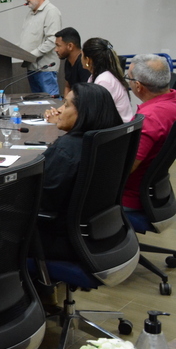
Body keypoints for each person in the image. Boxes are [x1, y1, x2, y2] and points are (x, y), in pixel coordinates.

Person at [38, 83, 123, 260]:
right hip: (101, 232)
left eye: (66, 105)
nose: (59, 110)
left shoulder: (66, 150)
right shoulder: (109, 141)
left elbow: (41, 199)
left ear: (85, 112)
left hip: (57, 239)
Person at [122, 54, 176, 210]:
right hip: (155, 192)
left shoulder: (149, 119)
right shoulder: (171, 104)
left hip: (129, 198)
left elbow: (125, 168)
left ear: (138, 86)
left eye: (129, 78)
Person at [19, 0, 62, 97]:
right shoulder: (30, 14)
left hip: (45, 68)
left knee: (51, 101)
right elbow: (27, 39)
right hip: (31, 66)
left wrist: (31, 55)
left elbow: (52, 40)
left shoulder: (51, 11)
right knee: (38, 102)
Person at [81, 38, 134, 122]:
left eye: (82, 55)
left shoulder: (104, 80)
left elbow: (96, 113)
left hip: (118, 128)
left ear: (88, 60)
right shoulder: (95, 77)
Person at [54, 27, 91, 96]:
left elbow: (87, 93)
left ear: (70, 46)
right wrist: (65, 102)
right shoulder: (68, 62)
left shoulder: (84, 63)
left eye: (58, 46)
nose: (56, 49)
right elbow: (68, 86)